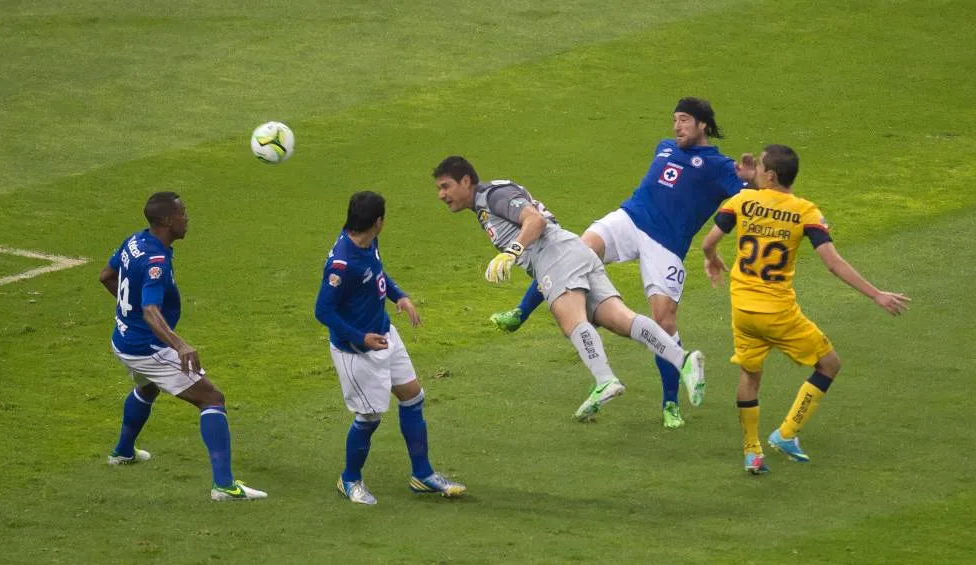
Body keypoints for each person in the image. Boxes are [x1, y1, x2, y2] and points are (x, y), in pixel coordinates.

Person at [490, 97, 756, 428]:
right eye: (675, 119)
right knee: (574, 251)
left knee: (664, 321)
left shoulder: (719, 166)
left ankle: (670, 403)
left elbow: (754, 197)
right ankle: (520, 312)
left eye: (684, 120)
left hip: (667, 243)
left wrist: (751, 177)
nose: (677, 126)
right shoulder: (665, 147)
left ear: (703, 124)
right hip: (629, 219)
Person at [434, 156, 705, 422]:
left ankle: (605, 379)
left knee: (572, 321)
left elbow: (535, 221)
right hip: (571, 251)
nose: (441, 195)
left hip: (553, 254)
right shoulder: (486, 201)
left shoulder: (493, 195)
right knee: (620, 319)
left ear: (466, 180)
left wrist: (512, 251)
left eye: (445, 186)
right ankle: (683, 360)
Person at [700, 144, 910, 474]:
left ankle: (752, 452)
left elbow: (708, 243)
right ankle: (787, 432)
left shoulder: (740, 202)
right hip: (779, 315)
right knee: (829, 364)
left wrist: (712, 261)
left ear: (770, 176)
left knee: (749, 375)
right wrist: (875, 294)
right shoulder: (805, 212)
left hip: (743, 310)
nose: (753, 169)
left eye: (759, 167)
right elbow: (832, 263)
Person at [99, 192, 267, 501]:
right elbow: (150, 312)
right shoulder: (156, 261)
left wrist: (131, 315)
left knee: (148, 388)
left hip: (122, 340)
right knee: (212, 399)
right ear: (166, 220)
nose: (186, 218)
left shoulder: (134, 241)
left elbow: (106, 276)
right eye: (182, 213)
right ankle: (224, 486)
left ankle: (123, 452)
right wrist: (180, 345)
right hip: (147, 348)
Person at [315, 191, 466, 505]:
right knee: (368, 418)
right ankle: (350, 479)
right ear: (378, 222)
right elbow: (323, 311)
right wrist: (360, 337)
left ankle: (422, 475)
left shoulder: (367, 241)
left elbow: (378, 275)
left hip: (385, 335)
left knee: (413, 397)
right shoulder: (342, 265)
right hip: (356, 351)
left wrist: (399, 296)